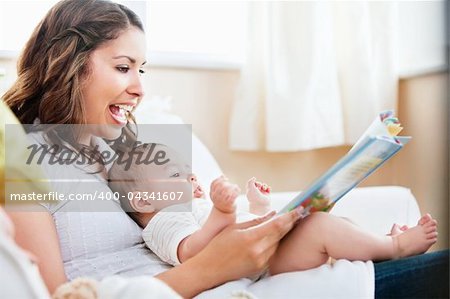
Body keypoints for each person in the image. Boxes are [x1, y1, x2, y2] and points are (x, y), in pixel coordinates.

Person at [2, 0, 448, 298]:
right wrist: (214, 266)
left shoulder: (128, 149)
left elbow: (192, 219)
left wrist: (250, 217)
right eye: (123, 67)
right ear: (69, 63)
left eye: (142, 69)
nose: (138, 88)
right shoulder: (20, 155)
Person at [109, 143, 438, 274]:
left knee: (331, 222)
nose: (191, 177)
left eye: (189, 170)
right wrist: (222, 213)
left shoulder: (187, 209)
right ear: (143, 201)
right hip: (262, 266)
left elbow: (234, 233)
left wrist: (258, 207)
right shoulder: (163, 223)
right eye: (175, 174)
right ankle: (394, 247)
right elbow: (192, 253)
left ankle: (379, 241)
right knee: (319, 228)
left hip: (262, 252)